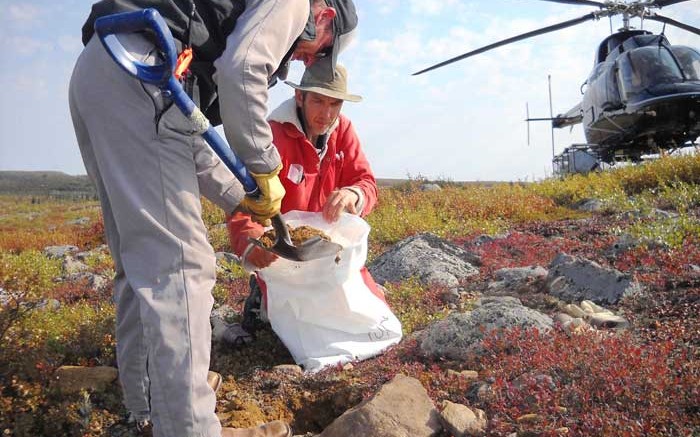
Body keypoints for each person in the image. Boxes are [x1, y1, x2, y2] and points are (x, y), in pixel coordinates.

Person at [68, 1, 357, 436]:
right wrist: (263, 164)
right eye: (319, 51)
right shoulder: (297, 4)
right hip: (141, 73)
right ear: (325, 16)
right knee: (181, 268)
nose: (306, 59)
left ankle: (148, 408)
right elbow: (241, 71)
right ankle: (189, 427)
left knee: (139, 259)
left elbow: (186, 133)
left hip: (107, 69)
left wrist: (246, 198)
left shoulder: (206, 19)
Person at [226, 63, 385, 334]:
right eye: (318, 101)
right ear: (300, 97)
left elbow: (366, 183)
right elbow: (239, 198)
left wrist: (353, 194)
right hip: (284, 255)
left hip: (328, 252)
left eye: (335, 104)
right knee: (296, 329)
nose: (327, 114)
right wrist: (253, 244)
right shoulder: (270, 137)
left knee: (374, 312)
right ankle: (262, 295)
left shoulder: (343, 130)